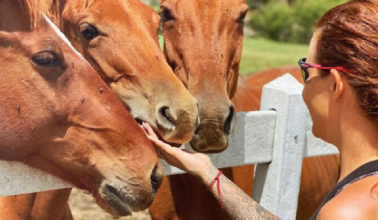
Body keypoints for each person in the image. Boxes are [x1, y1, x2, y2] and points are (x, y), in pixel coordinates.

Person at [141, 0, 378, 219]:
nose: (302, 85)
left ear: (336, 85)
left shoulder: (348, 211)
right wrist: (207, 172)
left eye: (306, 70)